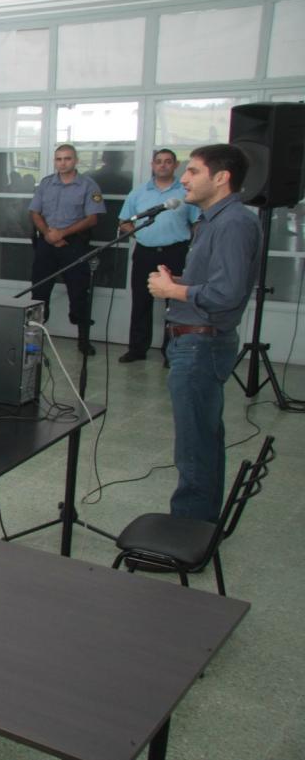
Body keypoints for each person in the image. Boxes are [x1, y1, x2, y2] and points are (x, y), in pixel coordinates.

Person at [147, 144, 259, 524]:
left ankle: (189, 530)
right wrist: (178, 281)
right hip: (193, 339)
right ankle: (202, 520)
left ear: (221, 177)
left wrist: (173, 291)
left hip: (202, 342)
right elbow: (214, 283)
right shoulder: (212, 220)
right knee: (202, 435)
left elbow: (226, 294)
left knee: (195, 443)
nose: (183, 178)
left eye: (193, 171)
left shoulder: (234, 223)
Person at [118, 149, 200, 364]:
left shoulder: (185, 192)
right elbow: (125, 221)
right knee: (141, 302)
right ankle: (137, 349)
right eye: (159, 162)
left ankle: (170, 352)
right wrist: (136, 233)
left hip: (175, 252)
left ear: (175, 165)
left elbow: (197, 223)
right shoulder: (139, 192)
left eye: (168, 162)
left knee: (175, 305)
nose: (163, 165)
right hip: (145, 252)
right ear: (152, 165)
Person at [28, 144, 105, 355]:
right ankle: (35, 338)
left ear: (76, 161)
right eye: (59, 159)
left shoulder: (88, 185)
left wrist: (63, 233)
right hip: (47, 243)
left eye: (67, 159)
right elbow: (35, 213)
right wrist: (49, 235)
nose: (63, 163)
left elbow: (92, 218)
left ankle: (83, 339)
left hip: (74, 244)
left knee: (79, 292)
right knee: (39, 292)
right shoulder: (46, 184)